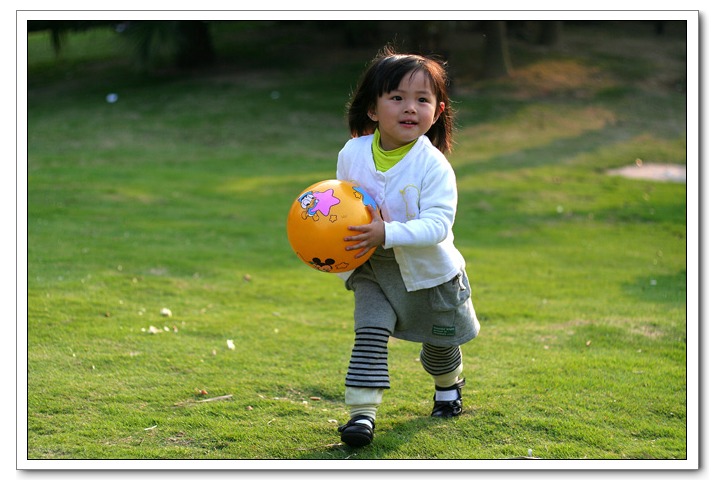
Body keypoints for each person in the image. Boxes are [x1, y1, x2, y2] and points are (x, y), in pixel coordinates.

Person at [334, 46, 481, 448]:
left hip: (429, 274)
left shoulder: (433, 166)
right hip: (374, 268)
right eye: (396, 97)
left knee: (438, 348)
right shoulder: (353, 153)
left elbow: (437, 225)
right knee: (369, 333)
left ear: (437, 110)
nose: (409, 108)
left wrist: (389, 232)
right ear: (372, 108)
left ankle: (449, 385)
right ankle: (361, 415)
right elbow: (345, 204)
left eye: (422, 99)